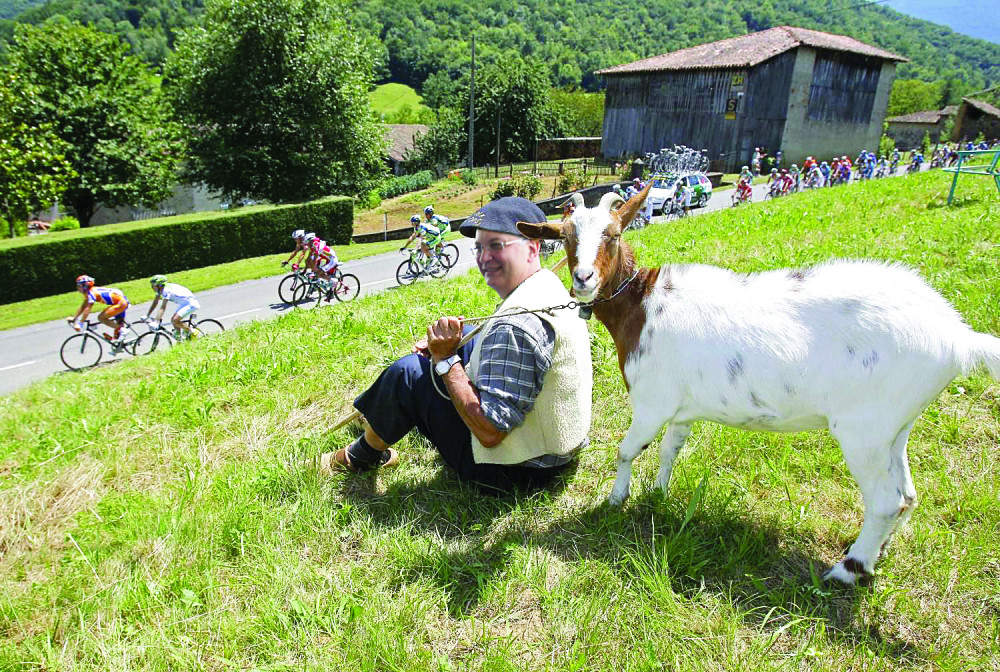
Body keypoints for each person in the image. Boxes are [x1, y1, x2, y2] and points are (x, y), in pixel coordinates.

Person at [311, 197, 593, 493]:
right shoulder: (548, 287)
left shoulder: (516, 326)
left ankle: (361, 455)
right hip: (558, 449)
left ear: (532, 248)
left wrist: (445, 359)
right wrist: (455, 341)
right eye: (480, 248)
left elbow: (491, 433)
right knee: (452, 350)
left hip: (518, 471)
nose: (485, 259)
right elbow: (508, 343)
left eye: (497, 246)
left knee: (408, 374)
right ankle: (382, 420)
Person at [68, 275, 132, 343]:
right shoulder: (90, 292)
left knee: (101, 318)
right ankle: (120, 342)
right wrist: (74, 318)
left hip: (120, 303)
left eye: (79, 285)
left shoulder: (91, 293)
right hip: (120, 302)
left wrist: (80, 323)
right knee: (118, 334)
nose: (77, 288)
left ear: (85, 286)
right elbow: (83, 306)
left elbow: (87, 309)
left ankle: (123, 330)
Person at [146, 275, 201, 340]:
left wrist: (156, 321)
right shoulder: (160, 290)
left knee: (175, 320)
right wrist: (147, 315)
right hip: (185, 303)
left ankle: (193, 331)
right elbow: (155, 302)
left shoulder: (166, 290)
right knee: (173, 320)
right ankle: (180, 340)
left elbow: (163, 307)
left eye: (153, 285)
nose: (152, 287)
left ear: (159, 285)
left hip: (191, 304)